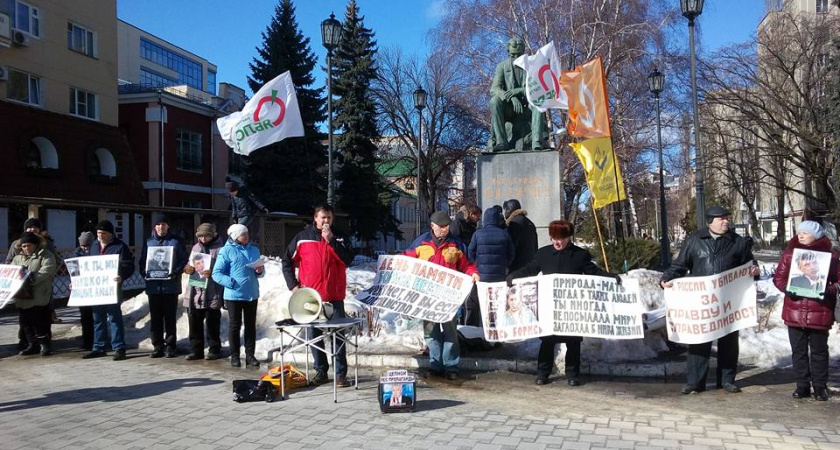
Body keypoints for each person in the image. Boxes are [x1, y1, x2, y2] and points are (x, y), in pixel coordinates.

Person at [660, 206, 760, 395]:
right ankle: (695, 383)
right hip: (703, 302)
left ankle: (727, 380)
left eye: (726, 218)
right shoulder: (694, 241)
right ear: (710, 222)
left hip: (728, 301)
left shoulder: (737, 242)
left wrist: (754, 270)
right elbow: (680, 265)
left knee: (729, 342)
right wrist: (667, 277)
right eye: (721, 219)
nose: (725, 222)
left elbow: (749, 263)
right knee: (699, 342)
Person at [508, 220, 619, 386]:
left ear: (568, 237)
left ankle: (573, 374)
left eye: (561, 238)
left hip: (572, 308)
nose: (557, 242)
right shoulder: (543, 254)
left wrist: (611, 278)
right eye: (554, 238)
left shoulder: (580, 255)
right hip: (550, 308)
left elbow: (593, 272)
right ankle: (542, 373)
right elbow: (530, 269)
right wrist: (513, 277)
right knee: (547, 341)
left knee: (573, 342)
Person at [282, 204, 355, 386]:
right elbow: (286, 261)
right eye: (323, 217)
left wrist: (331, 241)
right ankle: (321, 371)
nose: (326, 221)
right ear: (315, 218)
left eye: (329, 218)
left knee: (337, 335)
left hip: (334, 295)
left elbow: (348, 259)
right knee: (314, 336)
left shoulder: (340, 236)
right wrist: (294, 286)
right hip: (311, 297)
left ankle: (340, 374)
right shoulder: (302, 238)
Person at [405, 211, 480, 380]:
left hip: (449, 299)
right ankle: (435, 365)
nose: (445, 229)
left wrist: (473, 273)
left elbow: (467, 265)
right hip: (427, 298)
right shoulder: (421, 243)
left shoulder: (456, 244)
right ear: (432, 226)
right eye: (441, 227)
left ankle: (451, 366)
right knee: (431, 332)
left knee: (450, 331)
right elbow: (407, 261)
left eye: (447, 226)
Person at [773, 220, 838, 401]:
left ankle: (819, 387)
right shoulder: (789, 255)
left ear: (815, 236)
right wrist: (787, 288)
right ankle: (802, 386)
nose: (800, 235)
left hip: (820, 311)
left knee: (819, 351)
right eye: (799, 232)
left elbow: (838, 280)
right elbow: (778, 278)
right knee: (798, 351)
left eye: (805, 233)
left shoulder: (830, 257)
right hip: (794, 311)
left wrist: (830, 290)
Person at [82, 220, 135, 361]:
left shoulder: (120, 246)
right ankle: (99, 346)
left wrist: (121, 275)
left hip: (112, 288)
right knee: (98, 318)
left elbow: (129, 265)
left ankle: (118, 347)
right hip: (97, 289)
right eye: (98, 233)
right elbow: (88, 266)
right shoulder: (93, 246)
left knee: (114, 318)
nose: (100, 236)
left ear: (110, 233)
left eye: (103, 233)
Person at [213, 224, 264, 368]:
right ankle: (235, 356)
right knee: (235, 326)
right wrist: (231, 282)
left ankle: (250, 356)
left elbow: (260, 272)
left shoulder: (254, 250)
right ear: (235, 236)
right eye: (243, 234)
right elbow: (216, 273)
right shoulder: (226, 251)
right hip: (233, 294)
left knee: (250, 326)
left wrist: (259, 270)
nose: (247, 236)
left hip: (251, 293)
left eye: (247, 233)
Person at [5, 218, 60, 349]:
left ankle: (44, 343)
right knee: (25, 319)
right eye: (29, 228)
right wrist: (14, 276)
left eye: (35, 228)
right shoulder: (16, 248)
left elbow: (52, 264)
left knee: (42, 317)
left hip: (41, 287)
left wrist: (33, 278)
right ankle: (27, 342)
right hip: (23, 290)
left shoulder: (47, 246)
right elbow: (10, 264)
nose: (32, 230)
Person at [488, 37, 548, 151]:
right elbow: (494, 89)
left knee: (538, 101)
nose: (516, 58)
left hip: (528, 106)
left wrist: (518, 91)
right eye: (513, 55)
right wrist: (511, 98)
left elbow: (538, 88)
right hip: (509, 108)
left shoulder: (532, 65)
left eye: (519, 55)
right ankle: (501, 142)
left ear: (523, 52)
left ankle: (536, 142)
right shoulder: (502, 66)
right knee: (494, 101)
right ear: (508, 52)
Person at [139, 213, 187, 358]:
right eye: (158, 224)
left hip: (170, 287)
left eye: (163, 224)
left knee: (170, 318)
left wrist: (176, 271)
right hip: (153, 287)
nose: (161, 227)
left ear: (168, 226)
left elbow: (183, 259)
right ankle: (157, 346)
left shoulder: (175, 242)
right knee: (156, 319)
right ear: (155, 226)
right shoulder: (148, 242)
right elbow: (142, 261)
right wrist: (144, 272)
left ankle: (171, 346)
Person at [467, 206, 514, 326]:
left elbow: (470, 252)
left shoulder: (478, 234)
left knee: (481, 304)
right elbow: (511, 254)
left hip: (481, 277)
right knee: (496, 304)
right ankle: (495, 331)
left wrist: (476, 265)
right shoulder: (504, 234)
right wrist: (504, 265)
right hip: (499, 276)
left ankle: (480, 330)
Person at [184, 223, 224, 361]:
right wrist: (188, 268)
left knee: (212, 322)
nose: (203, 239)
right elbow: (190, 264)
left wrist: (213, 272)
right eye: (200, 236)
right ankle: (196, 350)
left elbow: (225, 268)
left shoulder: (220, 248)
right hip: (195, 290)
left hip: (213, 291)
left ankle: (214, 349)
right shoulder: (196, 247)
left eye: (206, 236)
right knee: (194, 322)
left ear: (212, 235)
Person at [71, 231, 94, 351]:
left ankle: (96, 340)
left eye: (87, 246)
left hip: (94, 289)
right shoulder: (77, 253)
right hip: (83, 290)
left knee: (94, 317)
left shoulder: (95, 253)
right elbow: (74, 272)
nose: (85, 248)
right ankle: (87, 340)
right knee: (85, 316)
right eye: (83, 246)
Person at [504, 199, 538, 272]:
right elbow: (535, 246)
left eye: (505, 209)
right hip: (529, 264)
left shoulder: (513, 224)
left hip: (516, 266)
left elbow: (511, 247)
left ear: (509, 209)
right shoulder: (530, 223)